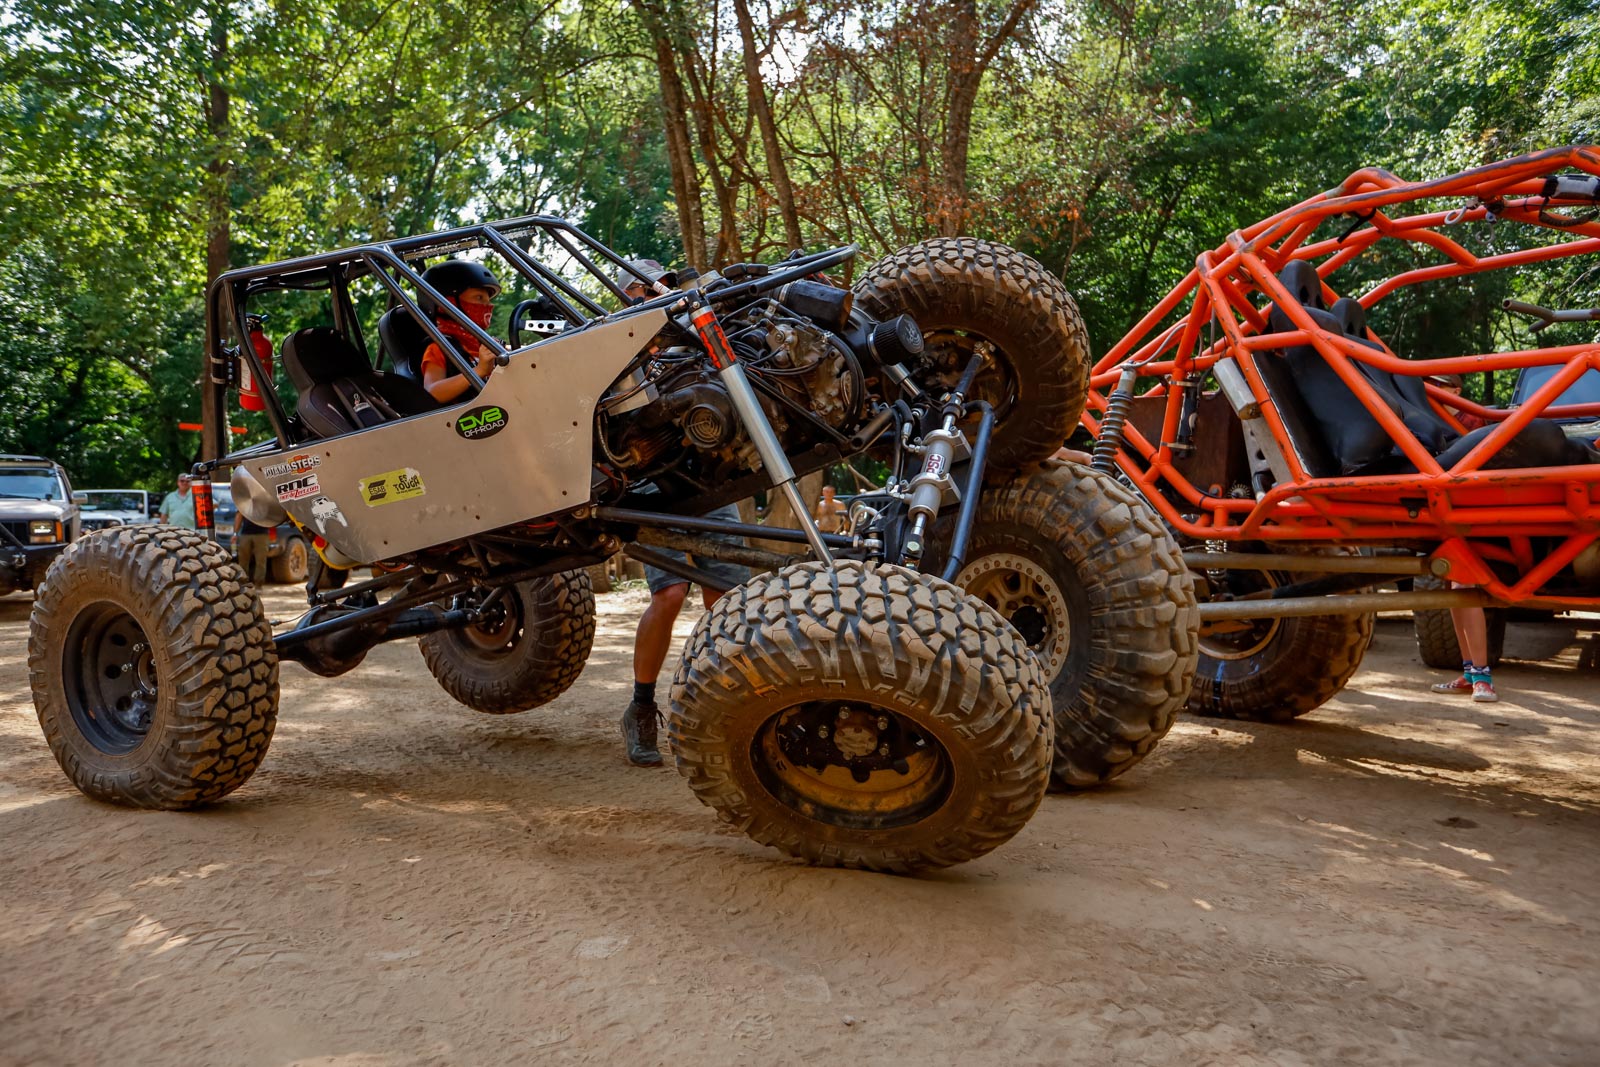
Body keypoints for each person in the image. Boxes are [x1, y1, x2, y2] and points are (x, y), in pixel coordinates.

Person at [622, 508, 751, 767]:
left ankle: (730, 711)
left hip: (715, 490)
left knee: (727, 600)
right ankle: (641, 706)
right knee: (670, 594)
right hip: (654, 491)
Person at [418, 259, 502, 404]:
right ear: (448, 304)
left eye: (488, 300)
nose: (487, 306)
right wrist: (479, 370)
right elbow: (432, 392)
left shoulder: (485, 345)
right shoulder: (439, 348)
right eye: (479, 298)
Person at [234, 509, 269, 585]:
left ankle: (259, 583)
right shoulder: (246, 500)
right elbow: (239, 515)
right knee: (243, 560)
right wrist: (235, 533)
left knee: (261, 560)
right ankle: (243, 582)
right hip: (246, 533)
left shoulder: (264, 500)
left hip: (262, 534)